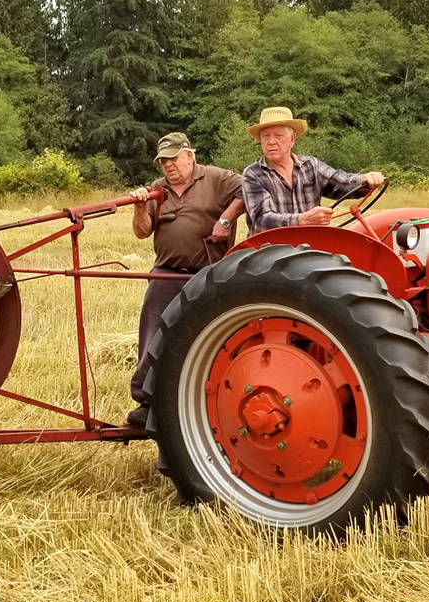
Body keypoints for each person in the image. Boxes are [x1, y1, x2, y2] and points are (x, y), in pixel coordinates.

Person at [125, 133, 245, 428]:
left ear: (190, 155)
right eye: (163, 161)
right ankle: (146, 401)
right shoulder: (157, 189)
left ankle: (217, 398)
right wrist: (140, 207)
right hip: (166, 271)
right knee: (154, 331)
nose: (168, 165)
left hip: (210, 271)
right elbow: (143, 232)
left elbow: (251, 190)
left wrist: (226, 219)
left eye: (173, 158)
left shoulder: (216, 178)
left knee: (216, 334)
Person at [240, 106, 386, 235]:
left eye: (278, 135)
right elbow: (262, 219)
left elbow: (341, 182)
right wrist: (302, 219)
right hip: (269, 250)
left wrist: (364, 179)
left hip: (308, 245)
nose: (271, 141)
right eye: (266, 136)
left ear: (292, 139)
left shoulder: (311, 165)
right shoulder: (253, 174)